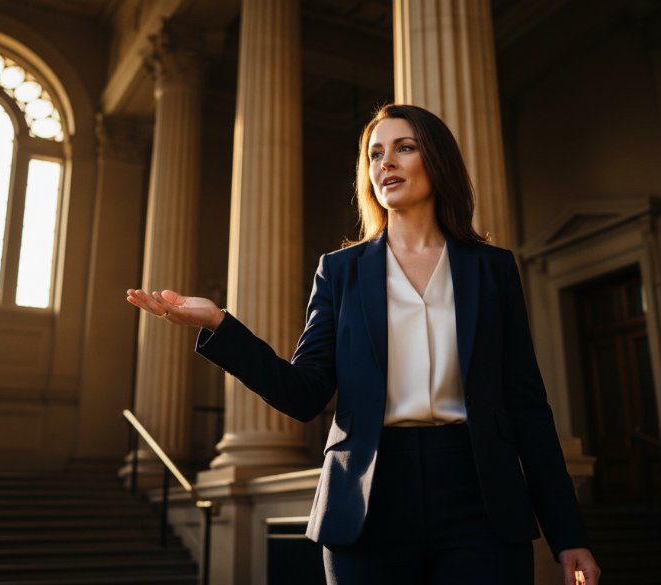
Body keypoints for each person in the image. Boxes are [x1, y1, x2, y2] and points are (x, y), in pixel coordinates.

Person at [126, 104, 601, 585]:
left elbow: (527, 406)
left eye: (404, 148)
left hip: (479, 499)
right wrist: (221, 324)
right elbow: (303, 393)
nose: (385, 163)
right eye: (375, 154)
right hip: (368, 503)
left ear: (437, 162)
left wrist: (568, 535)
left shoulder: (492, 270)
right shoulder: (340, 271)